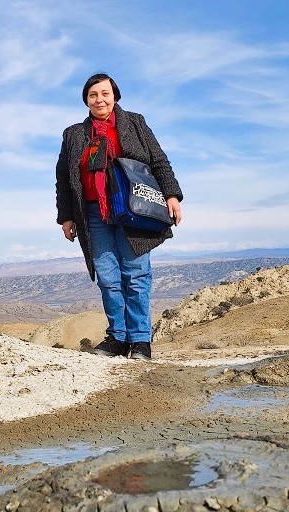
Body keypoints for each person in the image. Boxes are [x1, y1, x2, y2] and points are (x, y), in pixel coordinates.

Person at [55, 73, 182, 361]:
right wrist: (66, 216)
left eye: (105, 94)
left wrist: (172, 195)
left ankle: (140, 340)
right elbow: (64, 177)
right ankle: (118, 337)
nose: (99, 100)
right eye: (93, 95)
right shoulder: (73, 134)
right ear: (86, 100)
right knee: (108, 277)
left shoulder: (135, 123)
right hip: (93, 213)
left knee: (136, 274)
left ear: (115, 96)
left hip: (132, 210)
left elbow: (159, 160)